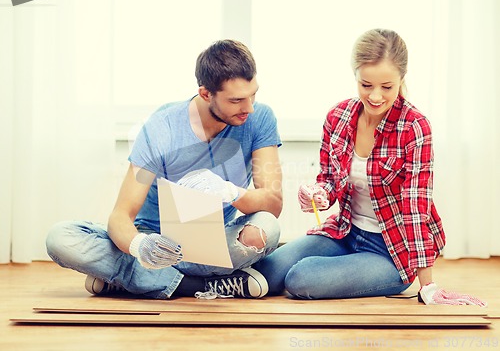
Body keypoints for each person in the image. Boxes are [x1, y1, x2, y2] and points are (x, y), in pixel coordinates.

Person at [254, 29, 486, 306]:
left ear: (402, 79)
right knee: (267, 270)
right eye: (366, 85)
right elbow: (329, 179)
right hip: (345, 232)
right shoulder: (338, 117)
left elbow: (416, 207)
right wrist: (319, 193)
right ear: (355, 77)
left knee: (300, 279)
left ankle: (365, 273)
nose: (375, 96)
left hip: (391, 251)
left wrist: (429, 286)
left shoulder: (414, 127)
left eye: (387, 87)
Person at [46, 39, 283, 300]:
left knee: (266, 228)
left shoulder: (260, 119)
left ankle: (132, 279)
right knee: (61, 239)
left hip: (213, 242)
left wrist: (230, 192)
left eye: (253, 95)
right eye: (236, 100)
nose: (248, 107)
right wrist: (139, 245)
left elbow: (272, 204)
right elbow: (121, 216)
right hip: (156, 241)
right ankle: (201, 285)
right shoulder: (162, 127)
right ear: (206, 94)